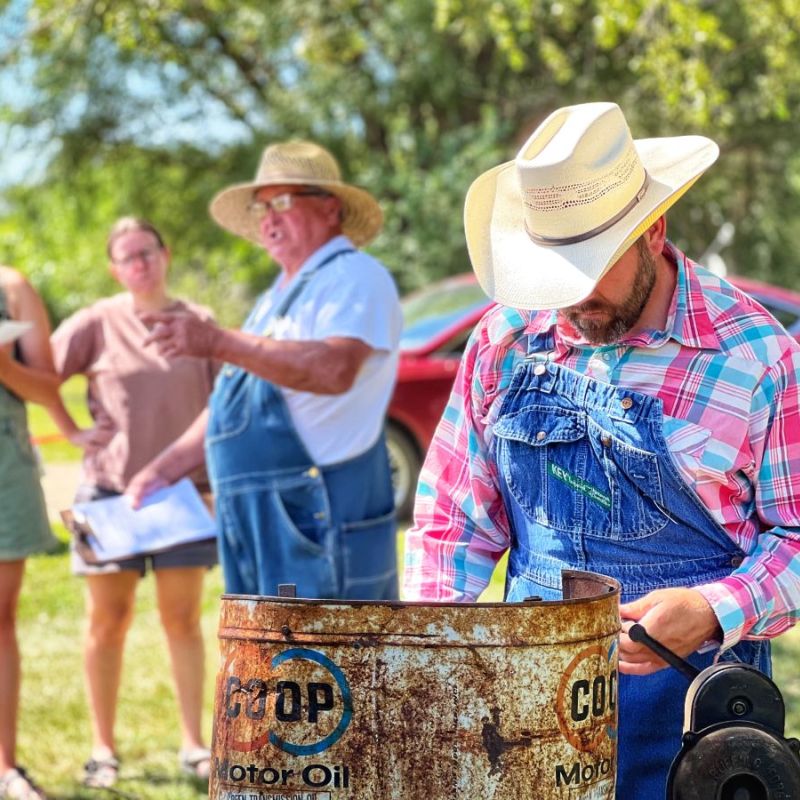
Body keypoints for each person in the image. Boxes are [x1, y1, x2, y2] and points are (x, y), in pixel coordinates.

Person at [402, 102, 800, 799]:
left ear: (654, 230)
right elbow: (452, 520)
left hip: (688, 726)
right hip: (523, 712)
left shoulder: (757, 358)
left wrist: (714, 607)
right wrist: (436, 661)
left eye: (588, 270)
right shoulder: (503, 340)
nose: (570, 301)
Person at [127, 140, 402, 601]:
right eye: (261, 207)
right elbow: (229, 407)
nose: (268, 218)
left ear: (331, 209)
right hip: (263, 516)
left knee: (332, 663)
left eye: (283, 201)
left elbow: (334, 369)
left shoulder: (354, 276)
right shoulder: (274, 297)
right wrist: (163, 469)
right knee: (266, 664)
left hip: (316, 516)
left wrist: (218, 340)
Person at [49, 218, 218, 788]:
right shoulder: (95, 323)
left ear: (165, 254)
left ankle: (194, 745)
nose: (139, 264)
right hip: (108, 497)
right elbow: (37, 375)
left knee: (182, 619)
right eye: (126, 258)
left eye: (146, 252)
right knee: (108, 621)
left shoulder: (200, 324)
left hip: (185, 497)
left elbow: (225, 407)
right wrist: (69, 429)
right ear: (114, 269)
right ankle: (102, 748)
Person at [0, 266, 59, 800]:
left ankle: (4, 769)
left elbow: (48, 387)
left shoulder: (11, 288)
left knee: (0, 617)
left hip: (4, 468)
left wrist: (1, 364)